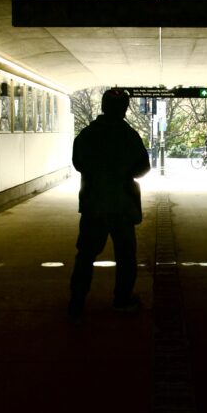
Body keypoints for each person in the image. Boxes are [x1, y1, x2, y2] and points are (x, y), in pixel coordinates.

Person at [68, 88, 151, 322]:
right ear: (125, 109)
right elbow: (143, 168)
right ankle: (122, 299)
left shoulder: (87, 135)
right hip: (122, 206)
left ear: (103, 107)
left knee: (85, 254)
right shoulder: (129, 135)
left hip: (93, 204)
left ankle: (77, 301)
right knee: (125, 256)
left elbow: (78, 163)